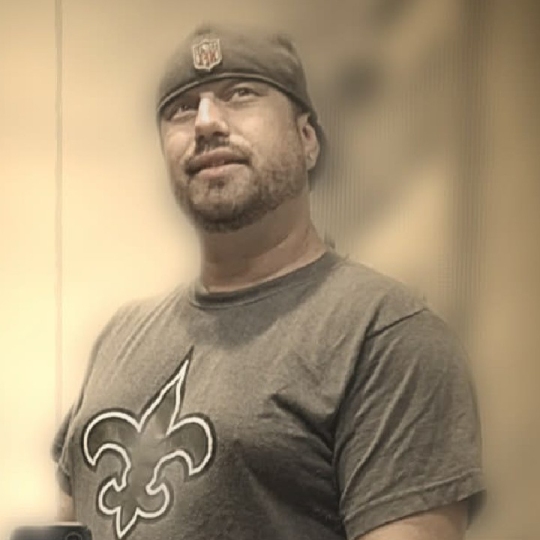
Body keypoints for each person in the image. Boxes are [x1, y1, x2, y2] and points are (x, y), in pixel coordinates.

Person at [52, 23, 485, 540]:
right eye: (182, 109)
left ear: (307, 140)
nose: (206, 122)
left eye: (240, 94)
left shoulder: (385, 335)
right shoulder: (120, 337)